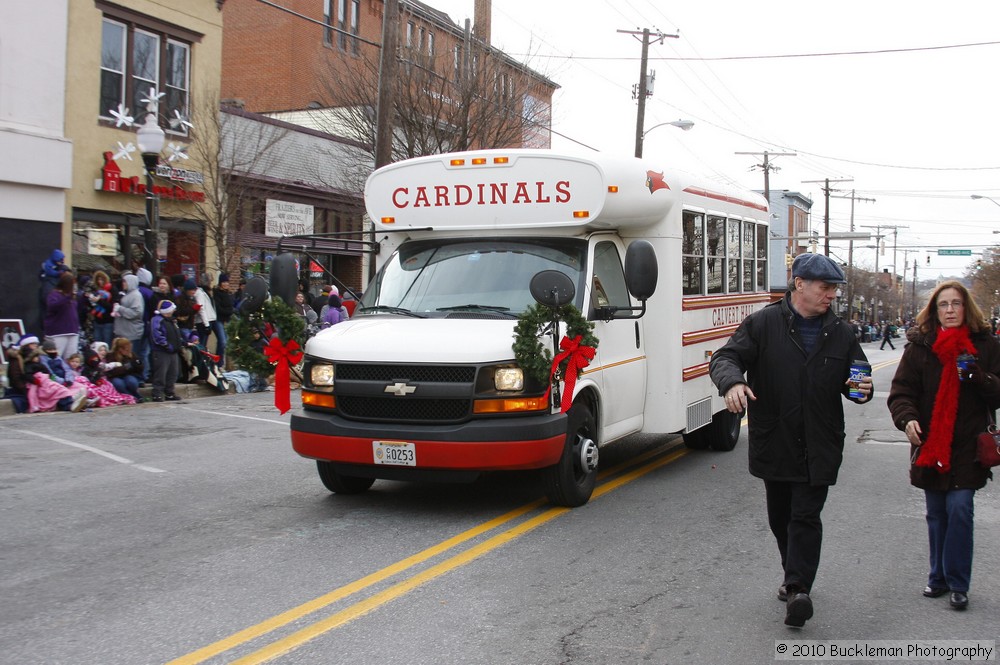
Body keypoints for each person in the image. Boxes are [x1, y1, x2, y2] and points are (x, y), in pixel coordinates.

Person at [708, 253, 873, 628]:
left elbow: (858, 384)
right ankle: (792, 574)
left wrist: (861, 389)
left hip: (820, 442)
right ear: (799, 283)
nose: (832, 295)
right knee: (780, 517)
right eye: (825, 287)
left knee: (804, 515)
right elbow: (725, 357)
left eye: (834, 289)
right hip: (775, 439)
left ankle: (799, 589)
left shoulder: (843, 334)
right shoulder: (763, 323)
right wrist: (732, 382)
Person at [887, 281, 1000, 612]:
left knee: (960, 509)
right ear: (935, 311)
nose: (950, 310)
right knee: (936, 514)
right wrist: (907, 420)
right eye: (943, 305)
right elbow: (901, 392)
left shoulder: (987, 345)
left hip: (968, 444)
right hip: (931, 443)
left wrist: (979, 376)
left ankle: (958, 583)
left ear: (966, 308)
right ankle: (937, 576)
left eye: (956, 303)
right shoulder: (920, 347)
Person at [149, 300, 185, 402]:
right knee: (161, 373)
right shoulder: (157, 320)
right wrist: (166, 345)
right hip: (162, 351)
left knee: (173, 373)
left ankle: (169, 393)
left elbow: (178, 334)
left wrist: (183, 343)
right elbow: (157, 335)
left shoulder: (172, 321)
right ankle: (157, 393)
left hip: (173, 351)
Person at [44, 271, 81, 360]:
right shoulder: (54, 294)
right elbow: (52, 306)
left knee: (71, 359)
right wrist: (67, 298)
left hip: (72, 331)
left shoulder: (72, 297)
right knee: (56, 357)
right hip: (58, 332)